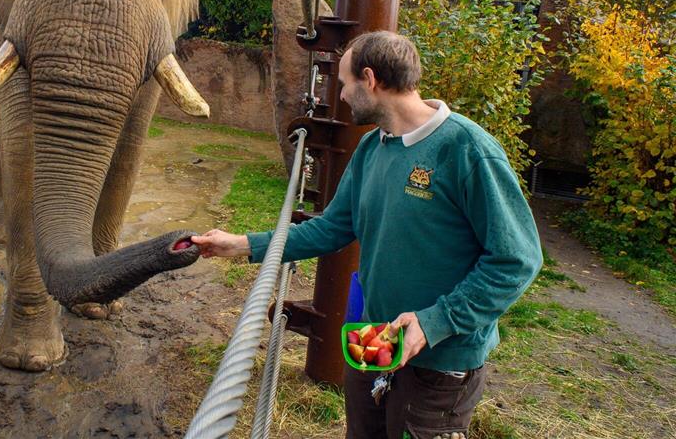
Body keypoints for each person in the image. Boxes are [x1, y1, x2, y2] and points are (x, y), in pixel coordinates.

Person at [191, 31, 542, 439]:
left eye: (344, 83)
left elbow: (517, 259)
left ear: (370, 80)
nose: (341, 95)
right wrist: (243, 245)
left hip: (440, 354)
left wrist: (434, 322)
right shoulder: (374, 147)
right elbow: (333, 227)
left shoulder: (467, 150)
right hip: (377, 337)